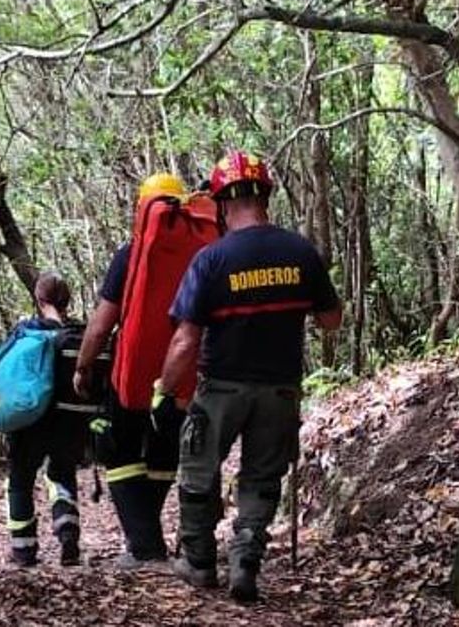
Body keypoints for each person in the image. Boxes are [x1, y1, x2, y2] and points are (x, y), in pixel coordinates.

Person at [153, 150, 343, 601]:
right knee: (262, 477)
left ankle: (199, 563)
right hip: (279, 389)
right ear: (265, 196)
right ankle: (245, 562)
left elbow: (185, 340)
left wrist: (164, 389)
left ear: (221, 202)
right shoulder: (300, 252)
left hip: (220, 387)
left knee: (198, 472)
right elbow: (331, 320)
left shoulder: (211, 260)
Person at [73, 172, 192, 569]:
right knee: (163, 450)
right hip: (184, 372)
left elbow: (102, 323)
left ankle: (144, 547)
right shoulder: (203, 252)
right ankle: (147, 538)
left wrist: (83, 367)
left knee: (118, 449)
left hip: (134, 371)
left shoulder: (132, 254)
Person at [5, 271, 93, 567]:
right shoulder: (81, 335)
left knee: (20, 481)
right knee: (62, 474)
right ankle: (68, 534)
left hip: (30, 421)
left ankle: (23, 550)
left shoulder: (25, 332)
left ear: (38, 300)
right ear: (67, 301)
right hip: (69, 423)